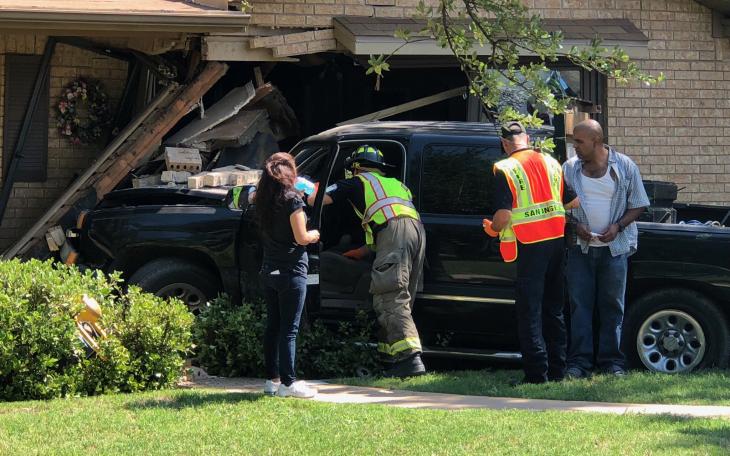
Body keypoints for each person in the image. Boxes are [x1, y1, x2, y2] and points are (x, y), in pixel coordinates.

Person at [308, 145, 427, 378]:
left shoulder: (356, 181)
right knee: (401, 295)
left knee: (389, 295)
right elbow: (392, 218)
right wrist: (362, 251)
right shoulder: (396, 184)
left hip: (395, 234)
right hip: (416, 233)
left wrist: (312, 187)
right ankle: (391, 358)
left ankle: (410, 359)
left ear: (355, 167)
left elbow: (316, 200)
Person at [483, 121, 578, 385]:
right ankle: (558, 371)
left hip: (530, 245)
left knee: (530, 311)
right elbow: (573, 202)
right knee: (554, 310)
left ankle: (536, 374)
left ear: (505, 144)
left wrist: (492, 229)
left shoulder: (505, 168)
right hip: (556, 243)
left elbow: (503, 217)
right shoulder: (551, 163)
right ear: (527, 138)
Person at [563, 119, 649, 378]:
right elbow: (558, 205)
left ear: (597, 141)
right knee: (580, 306)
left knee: (612, 307)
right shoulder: (569, 168)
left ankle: (612, 363)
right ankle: (579, 363)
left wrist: (618, 226)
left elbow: (639, 203)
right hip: (580, 248)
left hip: (615, 248)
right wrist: (574, 225)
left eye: (580, 142)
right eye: (574, 141)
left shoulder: (624, 166)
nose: (575, 147)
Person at [254, 152, 320, 398]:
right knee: (289, 330)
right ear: (290, 174)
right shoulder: (293, 201)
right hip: (291, 272)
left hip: (269, 270)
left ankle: (272, 381)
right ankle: (289, 384)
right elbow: (301, 237)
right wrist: (314, 235)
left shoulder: (262, 201)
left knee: (273, 326)